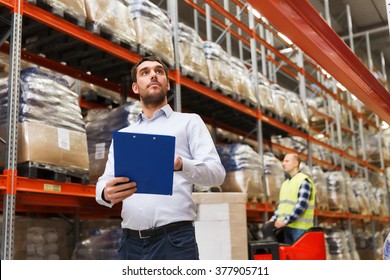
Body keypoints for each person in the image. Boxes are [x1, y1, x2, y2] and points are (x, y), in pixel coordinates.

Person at [95, 56, 226, 260]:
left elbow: (217, 174)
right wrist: (105, 193)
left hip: (174, 242)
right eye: (145, 72)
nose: (153, 74)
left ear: (167, 83)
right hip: (130, 245)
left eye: (159, 71)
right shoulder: (125, 135)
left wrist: (181, 164)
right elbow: (104, 180)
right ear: (136, 88)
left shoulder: (189, 123)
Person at [268, 153, 316, 245]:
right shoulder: (285, 183)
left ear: (296, 163)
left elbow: (301, 206)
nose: (283, 163)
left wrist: (285, 221)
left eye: (287, 161)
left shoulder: (303, 181)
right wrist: (272, 220)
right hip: (287, 227)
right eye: (283, 161)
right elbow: (281, 206)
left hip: (300, 229)